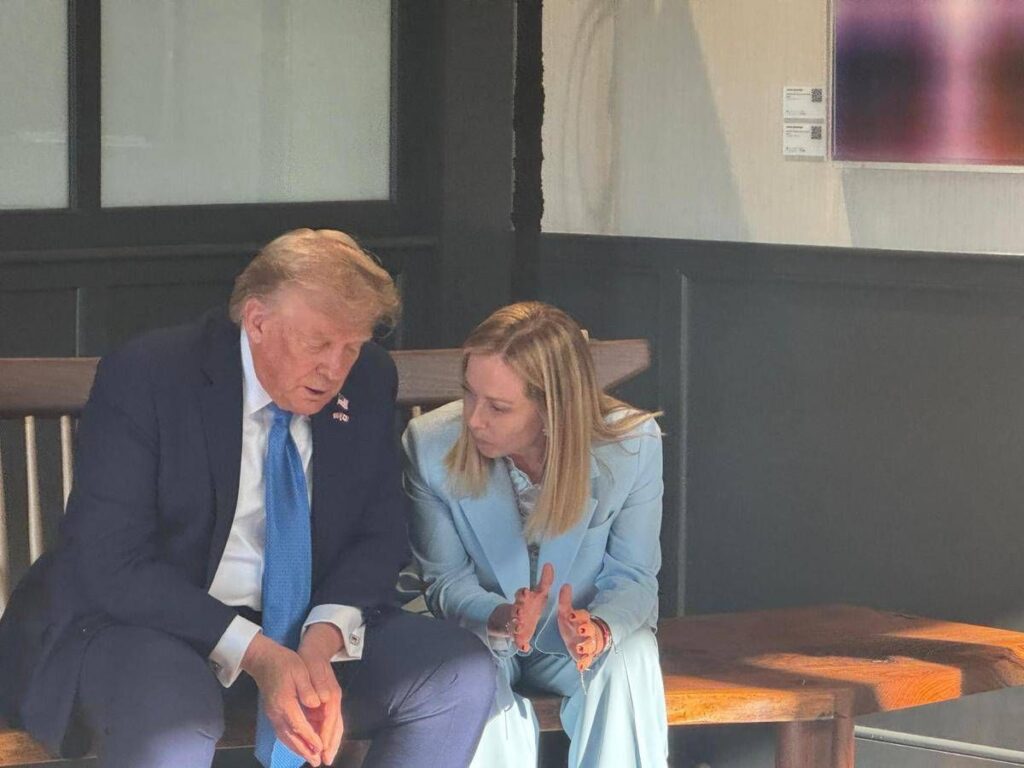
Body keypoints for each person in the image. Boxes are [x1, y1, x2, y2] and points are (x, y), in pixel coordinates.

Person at [0, 229, 495, 768]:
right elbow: (111, 560)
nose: (335, 369)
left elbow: (379, 536)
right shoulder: (151, 373)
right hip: (157, 623)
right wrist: (259, 654)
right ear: (257, 322)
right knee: (170, 715)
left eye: (352, 347)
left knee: (457, 673)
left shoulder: (368, 379)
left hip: (305, 624)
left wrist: (320, 643)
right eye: (318, 344)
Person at [402, 301, 669, 767]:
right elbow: (444, 582)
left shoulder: (632, 444)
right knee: (467, 669)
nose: (473, 419)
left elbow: (634, 576)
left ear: (551, 410)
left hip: (575, 639)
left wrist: (598, 630)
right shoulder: (429, 444)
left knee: (634, 655)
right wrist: (503, 616)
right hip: (481, 633)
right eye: (469, 395)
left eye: (498, 407)